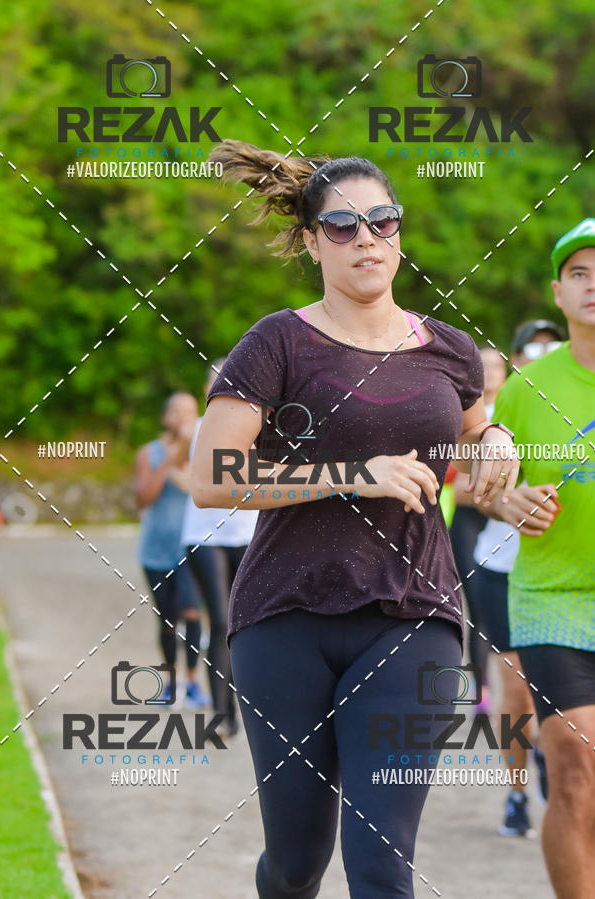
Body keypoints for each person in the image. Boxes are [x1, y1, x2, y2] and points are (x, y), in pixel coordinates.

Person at [191, 140, 519, 898]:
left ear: (399, 233)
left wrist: (497, 441)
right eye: (342, 227)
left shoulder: (452, 350)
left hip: (416, 615)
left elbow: (473, 443)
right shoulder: (277, 341)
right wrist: (351, 476)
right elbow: (210, 478)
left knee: (379, 860)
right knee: (297, 861)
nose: (365, 238)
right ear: (311, 242)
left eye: (382, 220)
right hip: (285, 616)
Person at [483, 219, 595, 898]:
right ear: (557, 292)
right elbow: (484, 486)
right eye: (579, 273)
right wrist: (510, 503)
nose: (594, 286)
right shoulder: (526, 389)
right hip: (551, 596)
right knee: (577, 764)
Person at [473, 321, 565, 837]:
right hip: (503, 569)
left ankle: (557, 765)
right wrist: (508, 499)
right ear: (516, 358)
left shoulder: (577, 405)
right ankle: (516, 792)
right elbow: (469, 489)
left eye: (551, 346)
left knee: (557, 694)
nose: (543, 354)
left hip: (565, 576)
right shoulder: (494, 415)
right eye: (532, 347)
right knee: (519, 692)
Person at [181, 359, 259, 737]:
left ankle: (245, 711)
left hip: (246, 535)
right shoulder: (197, 430)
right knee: (223, 621)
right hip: (204, 538)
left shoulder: (258, 428)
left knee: (248, 626)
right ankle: (223, 716)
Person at [135, 392, 211, 709]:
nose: (184, 418)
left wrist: (186, 456)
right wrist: (168, 460)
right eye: (178, 412)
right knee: (167, 621)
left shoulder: (202, 453)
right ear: (166, 417)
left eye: (191, 412)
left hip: (191, 550)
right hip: (155, 550)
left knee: (193, 613)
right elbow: (143, 499)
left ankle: (192, 683)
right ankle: (170, 682)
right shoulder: (148, 453)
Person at [449, 346, 508, 714]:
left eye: (495, 366)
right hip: (470, 520)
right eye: (482, 367)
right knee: (475, 611)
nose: (489, 372)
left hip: (508, 523)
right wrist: (500, 491)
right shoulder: (461, 417)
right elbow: (459, 487)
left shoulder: (518, 408)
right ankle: (475, 688)